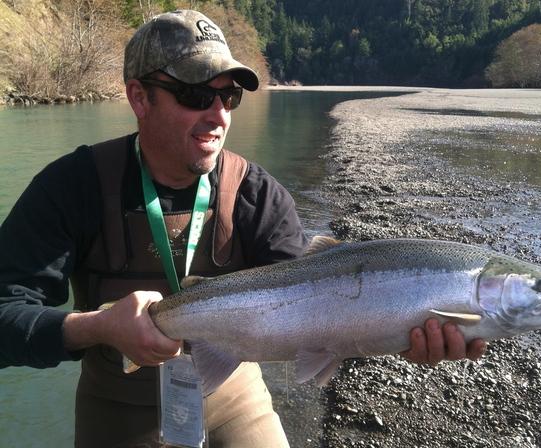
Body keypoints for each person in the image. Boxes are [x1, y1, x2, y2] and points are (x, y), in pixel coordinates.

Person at [0, 9, 486, 448]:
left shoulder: (257, 194)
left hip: (234, 395)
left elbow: (319, 311)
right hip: (117, 406)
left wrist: (401, 328)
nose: (219, 114)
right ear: (139, 98)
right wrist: (96, 326)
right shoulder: (72, 187)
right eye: (194, 94)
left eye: (229, 96)